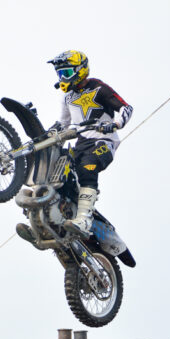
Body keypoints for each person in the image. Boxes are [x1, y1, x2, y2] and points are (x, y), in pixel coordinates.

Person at [49, 49, 133, 236]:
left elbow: (126, 108)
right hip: (80, 144)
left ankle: (84, 220)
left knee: (87, 168)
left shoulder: (99, 88)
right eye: (60, 74)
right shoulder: (67, 97)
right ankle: (50, 216)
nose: (62, 78)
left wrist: (116, 124)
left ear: (80, 70)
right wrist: (48, 136)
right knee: (58, 172)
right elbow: (63, 124)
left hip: (104, 141)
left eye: (66, 73)